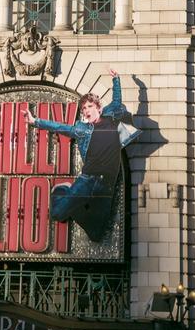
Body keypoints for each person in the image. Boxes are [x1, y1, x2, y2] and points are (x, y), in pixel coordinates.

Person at [24, 69, 140, 241]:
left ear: (99, 108)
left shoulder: (112, 116)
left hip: (107, 185)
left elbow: (117, 100)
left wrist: (116, 80)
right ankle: (64, 190)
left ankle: (75, 202)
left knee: (96, 235)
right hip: (87, 180)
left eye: (90, 106)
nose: (86, 110)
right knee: (56, 213)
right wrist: (35, 121)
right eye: (84, 108)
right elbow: (60, 127)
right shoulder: (81, 129)